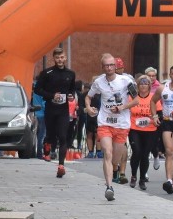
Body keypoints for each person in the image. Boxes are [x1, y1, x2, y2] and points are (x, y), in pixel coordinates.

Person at [86, 53, 138, 201]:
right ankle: (109, 187)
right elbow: (88, 97)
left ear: (115, 66)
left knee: (115, 158)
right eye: (106, 66)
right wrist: (89, 107)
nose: (109, 68)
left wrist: (122, 107)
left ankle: (115, 169)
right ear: (102, 67)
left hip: (121, 123)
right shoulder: (98, 82)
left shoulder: (126, 81)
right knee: (107, 153)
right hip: (105, 122)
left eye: (111, 65)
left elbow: (136, 101)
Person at [34, 47, 77, 177]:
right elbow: (37, 90)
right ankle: (47, 144)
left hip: (63, 109)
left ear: (65, 58)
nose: (60, 60)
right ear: (54, 58)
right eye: (57, 58)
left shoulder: (71, 74)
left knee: (63, 136)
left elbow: (72, 90)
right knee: (51, 136)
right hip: (50, 108)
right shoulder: (47, 73)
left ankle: (61, 166)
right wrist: (52, 95)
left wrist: (71, 96)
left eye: (62, 57)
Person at [151, 64, 173, 194]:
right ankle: (169, 181)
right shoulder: (163, 88)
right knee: (170, 152)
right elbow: (153, 101)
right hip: (168, 123)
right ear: (170, 75)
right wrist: (155, 116)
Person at [128, 75, 161, 190]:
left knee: (144, 155)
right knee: (136, 152)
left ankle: (142, 179)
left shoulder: (153, 98)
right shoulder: (132, 97)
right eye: (141, 83)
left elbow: (159, 113)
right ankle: (133, 176)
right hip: (134, 129)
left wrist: (157, 119)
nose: (143, 85)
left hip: (150, 129)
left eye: (146, 83)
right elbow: (126, 110)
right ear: (137, 85)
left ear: (149, 86)